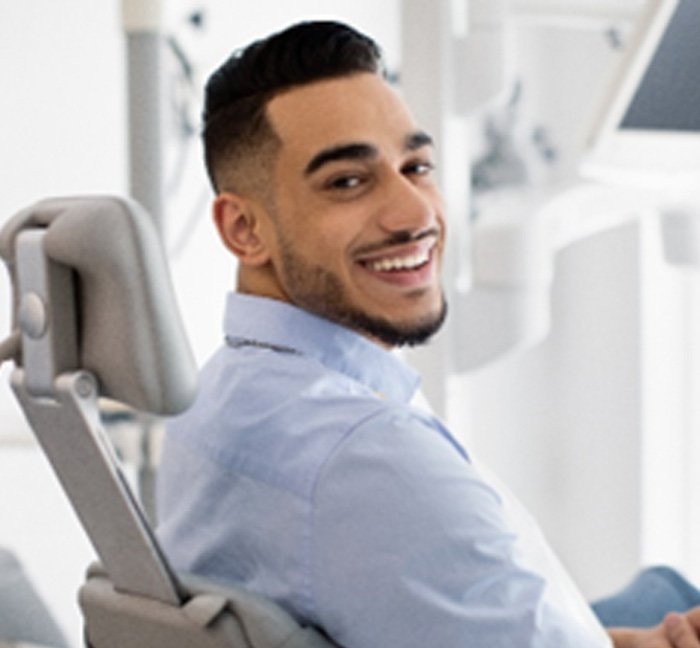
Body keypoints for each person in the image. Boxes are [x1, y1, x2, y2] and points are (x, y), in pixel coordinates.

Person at [156, 20, 700, 648]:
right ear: (245, 228)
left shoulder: (216, 394)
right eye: (347, 182)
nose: (416, 214)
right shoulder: (370, 458)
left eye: (415, 166)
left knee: (666, 590)